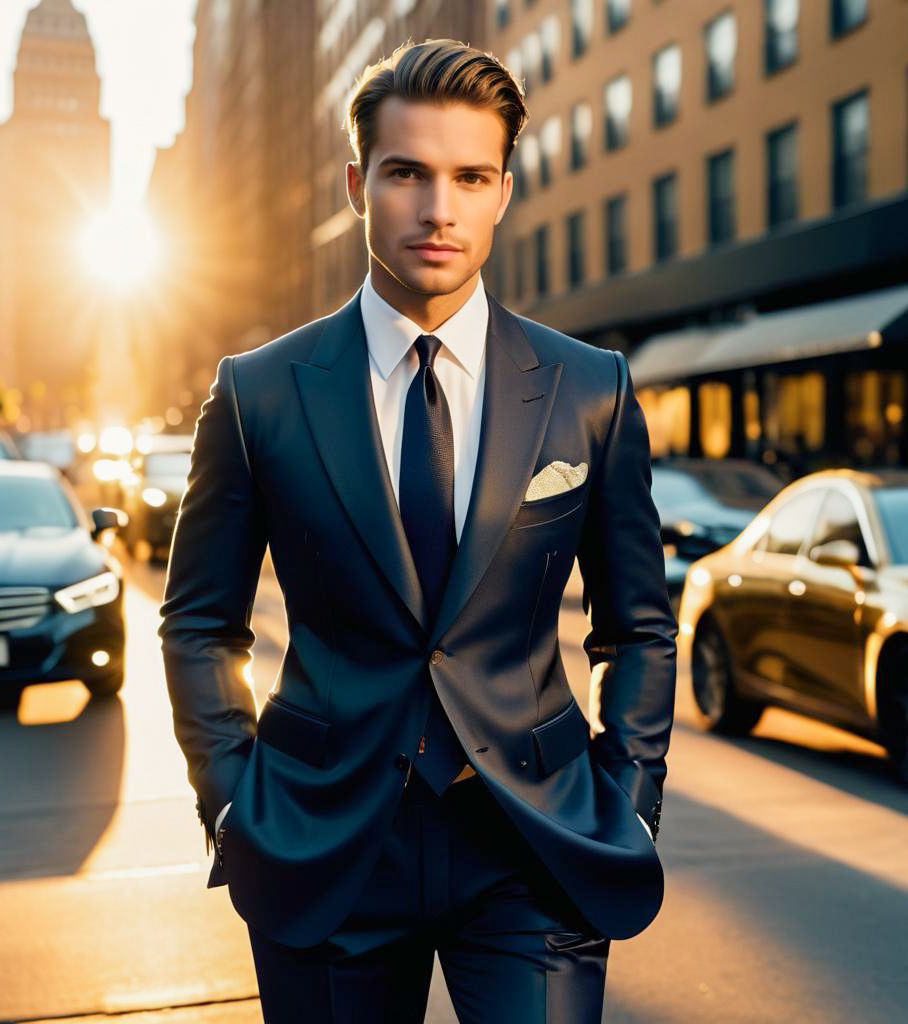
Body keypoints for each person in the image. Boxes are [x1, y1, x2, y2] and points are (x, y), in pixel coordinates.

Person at [158, 38, 677, 1024]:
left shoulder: (589, 389)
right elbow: (197, 626)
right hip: (321, 843)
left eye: (469, 176)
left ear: (503, 192)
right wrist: (232, 801)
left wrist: (631, 793)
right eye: (407, 173)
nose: (439, 208)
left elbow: (639, 627)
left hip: (536, 841)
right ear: (358, 184)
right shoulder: (258, 392)